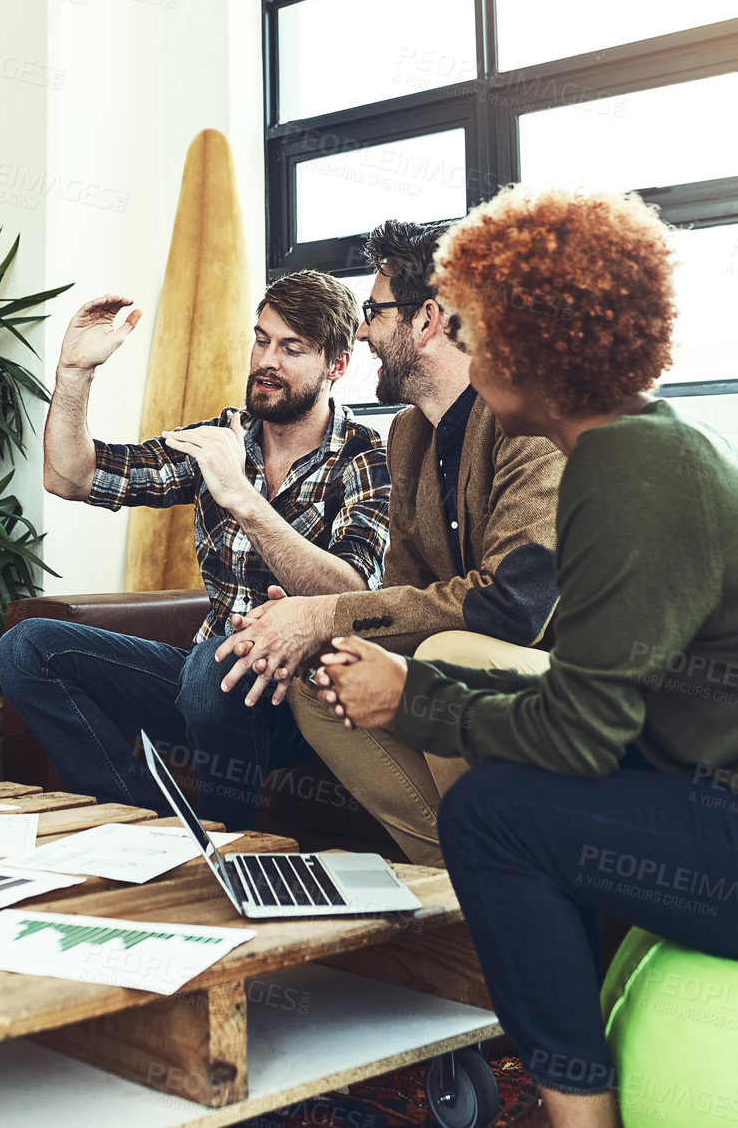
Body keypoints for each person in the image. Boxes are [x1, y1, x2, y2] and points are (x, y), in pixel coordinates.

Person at [313, 187, 738, 1128]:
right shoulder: (630, 451)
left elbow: (584, 735)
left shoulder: (631, 469)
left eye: (470, 322)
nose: (459, 344)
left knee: (491, 816)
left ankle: (573, 1119)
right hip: (700, 792)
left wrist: (410, 697)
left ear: (535, 342)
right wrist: (431, 683)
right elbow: (595, 695)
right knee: (509, 774)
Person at [215, 218, 565, 863]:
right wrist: (299, 626)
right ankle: (454, 876)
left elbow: (514, 606)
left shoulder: (530, 418)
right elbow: (404, 593)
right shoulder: (409, 434)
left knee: (450, 651)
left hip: (562, 675)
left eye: (375, 312)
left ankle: (494, 876)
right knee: (323, 672)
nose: (364, 331)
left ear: (427, 319)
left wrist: (323, 610)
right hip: (475, 667)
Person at [0, 271, 390, 826]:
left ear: (337, 365)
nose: (266, 360)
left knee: (213, 664)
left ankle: (227, 850)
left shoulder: (365, 459)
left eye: (291, 348)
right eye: (262, 339)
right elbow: (73, 477)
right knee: (27, 646)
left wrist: (245, 499)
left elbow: (353, 594)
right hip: (203, 684)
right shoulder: (222, 440)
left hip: (299, 701)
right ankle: (147, 823)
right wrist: (75, 372)